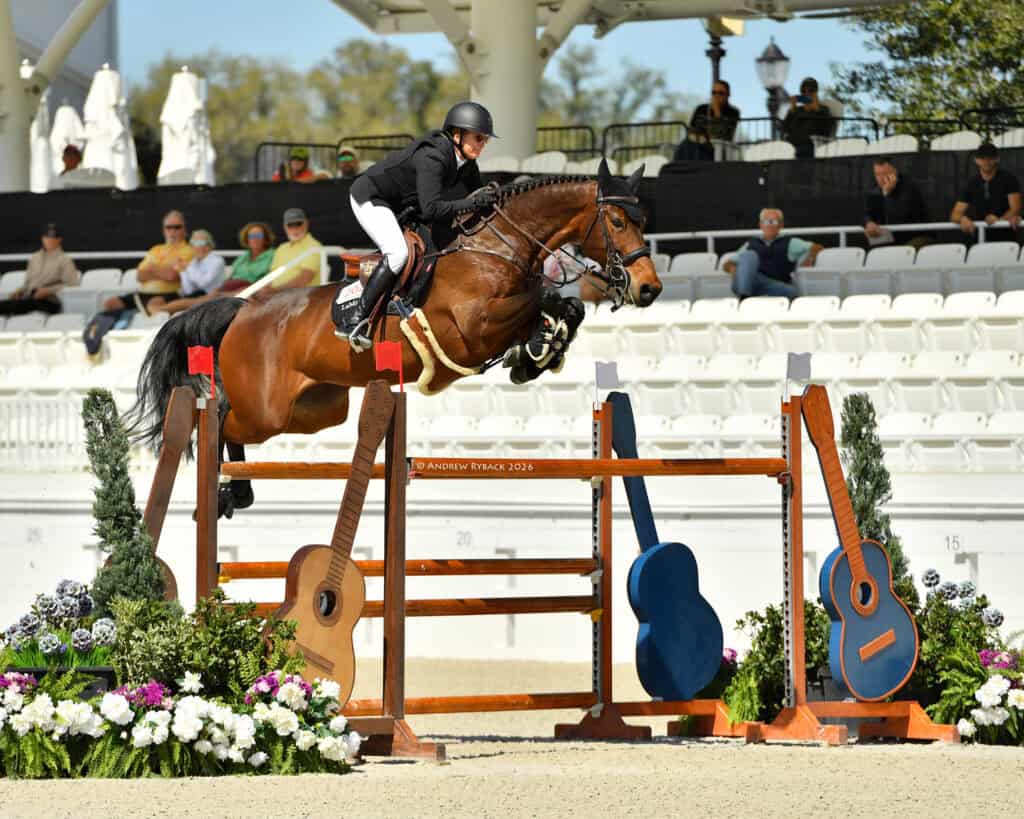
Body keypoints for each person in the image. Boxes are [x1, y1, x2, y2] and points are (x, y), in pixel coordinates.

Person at [342, 100, 499, 349]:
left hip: (402, 207)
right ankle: (356, 321)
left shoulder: (467, 162)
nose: (483, 145)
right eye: (478, 138)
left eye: (485, 140)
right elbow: (433, 209)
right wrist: (472, 203)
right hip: (370, 197)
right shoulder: (433, 157)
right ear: (457, 135)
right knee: (398, 253)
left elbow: (479, 194)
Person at [102, 210, 191, 315]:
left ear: (184, 229)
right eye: (168, 227)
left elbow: (172, 276)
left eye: (177, 227)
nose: (172, 231)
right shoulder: (155, 249)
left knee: (154, 305)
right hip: (143, 293)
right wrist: (162, 271)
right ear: (164, 230)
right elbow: (140, 275)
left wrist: (152, 267)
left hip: (169, 294)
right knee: (110, 304)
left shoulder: (189, 250)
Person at [723, 208, 823, 299]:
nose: (770, 225)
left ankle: (745, 296)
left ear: (781, 225)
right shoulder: (751, 243)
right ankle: (744, 297)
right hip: (752, 280)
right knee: (749, 255)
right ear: (761, 225)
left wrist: (810, 257)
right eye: (766, 221)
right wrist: (734, 270)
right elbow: (727, 264)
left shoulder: (791, 242)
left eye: (774, 222)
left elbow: (817, 247)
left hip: (774, 284)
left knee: (792, 291)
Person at [0, 223, 80, 316]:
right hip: (30, 298)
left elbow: (72, 284)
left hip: (50, 301)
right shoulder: (35, 258)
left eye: (53, 238)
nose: (50, 241)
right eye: (47, 237)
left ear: (59, 240)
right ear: (42, 238)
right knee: (10, 304)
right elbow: (28, 283)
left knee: (16, 305)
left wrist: (49, 290)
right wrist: (19, 291)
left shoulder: (64, 260)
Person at [951, 142, 1021, 241]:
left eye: (990, 157)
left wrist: (999, 220)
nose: (986, 161)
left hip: (1006, 238)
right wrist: (962, 219)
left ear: (997, 159)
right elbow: (955, 214)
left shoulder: (1009, 179)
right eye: (982, 158)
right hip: (980, 238)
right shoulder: (971, 183)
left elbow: (1016, 208)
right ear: (976, 160)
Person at [148, 230, 225, 315]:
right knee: (156, 300)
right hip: (193, 296)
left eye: (201, 243)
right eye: (194, 243)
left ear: (209, 245)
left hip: (209, 297)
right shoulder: (194, 262)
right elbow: (188, 290)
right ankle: (158, 311)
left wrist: (187, 267)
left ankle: (160, 311)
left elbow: (203, 283)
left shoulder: (217, 261)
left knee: (185, 301)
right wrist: (183, 271)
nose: (197, 246)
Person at [863, 157, 931, 248]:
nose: (881, 178)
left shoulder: (910, 187)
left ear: (895, 173)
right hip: (889, 238)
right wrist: (869, 222)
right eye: (877, 174)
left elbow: (898, 216)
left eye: (885, 174)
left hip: (915, 236)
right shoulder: (875, 190)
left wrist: (887, 194)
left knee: (904, 253)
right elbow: (868, 213)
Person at [674, 80, 741, 162]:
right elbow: (691, 129)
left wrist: (717, 111)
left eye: (720, 93)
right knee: (684, 146)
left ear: (728, 94)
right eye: (714, 93)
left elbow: (725, 134)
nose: (716, 96)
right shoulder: (701, 109)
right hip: (697, 143)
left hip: (718, 148)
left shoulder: (733, 112)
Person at [266, 208, 325, 290]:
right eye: (290, 225)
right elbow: (270, 277)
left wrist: (275, 291)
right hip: (276, 296)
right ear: (284, 227)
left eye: (298, 224)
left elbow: (304, 279)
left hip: (302, 297)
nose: (294, 229)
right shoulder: (281, 248)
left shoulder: (314, 247)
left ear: (306, 224)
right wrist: (262, 291)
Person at [780, 77, 834, 159]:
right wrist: (792, 110)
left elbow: (827, 130)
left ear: (816, 92)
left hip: (810, 146)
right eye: (803, 91)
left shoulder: (823, 110)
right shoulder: (796, 110)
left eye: (811, 91)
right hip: (792, 146)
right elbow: (784, 129)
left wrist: (817, 110)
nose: (807, 93)